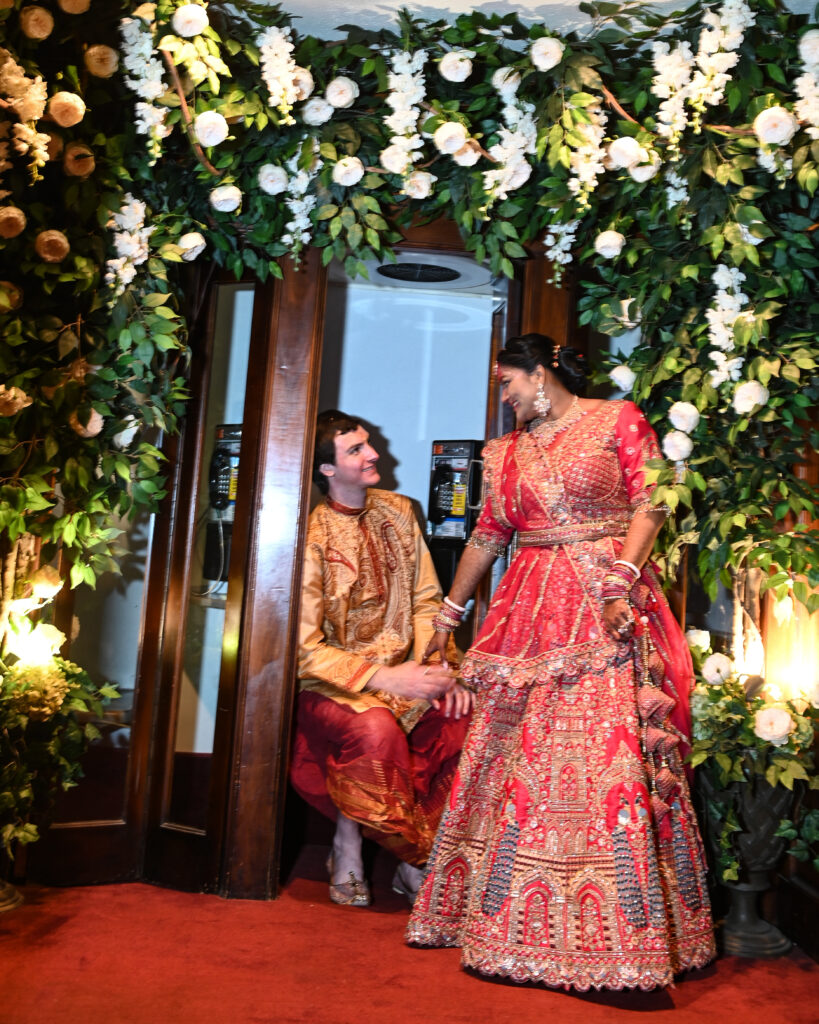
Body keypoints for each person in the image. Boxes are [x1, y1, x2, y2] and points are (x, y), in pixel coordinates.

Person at [406, 334, 715, 990]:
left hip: (604, 603)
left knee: (608, 761)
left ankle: (622, 942)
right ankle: (510, 928)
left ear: (539, 374)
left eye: (507, 382)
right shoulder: (505, 452)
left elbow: (650, 501)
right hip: (527, 613)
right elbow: (488, 535)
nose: (504, 395)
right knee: (519, 759)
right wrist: (446, 617)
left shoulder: (616, 421)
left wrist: (619, 578)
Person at [291, 410, 473, 908]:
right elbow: (306, 650)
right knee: (376, 729)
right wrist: (389, 678)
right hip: (337, 687)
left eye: (368, 444)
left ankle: (420, 854)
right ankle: (361, 846)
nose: (374, 455)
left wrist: (439, 671)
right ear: (327, 469)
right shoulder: (311, 537)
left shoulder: (399, 511)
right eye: (356, 450)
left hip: (410, 671)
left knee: (465, 715)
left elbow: (425, 601)